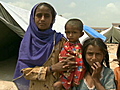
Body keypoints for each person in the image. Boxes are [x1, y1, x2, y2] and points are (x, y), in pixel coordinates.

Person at [12, 2, 77, 90]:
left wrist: (62, 81)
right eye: (39, 15)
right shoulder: (27, 42)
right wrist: (51, 69)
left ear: (53, 19)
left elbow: (70, 66)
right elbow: (25, 72)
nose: (42, 19)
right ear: (33, 18)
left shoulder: (60, 40)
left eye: (46, 16)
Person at [53, 19, 86, 90]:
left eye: (74, 32)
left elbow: (80, 65)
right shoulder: (64, 44)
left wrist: (76, 81)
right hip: (61, 73)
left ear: (81, 34)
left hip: (71, 77)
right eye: (68, 32)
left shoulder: (79, 48)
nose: (70, 35)